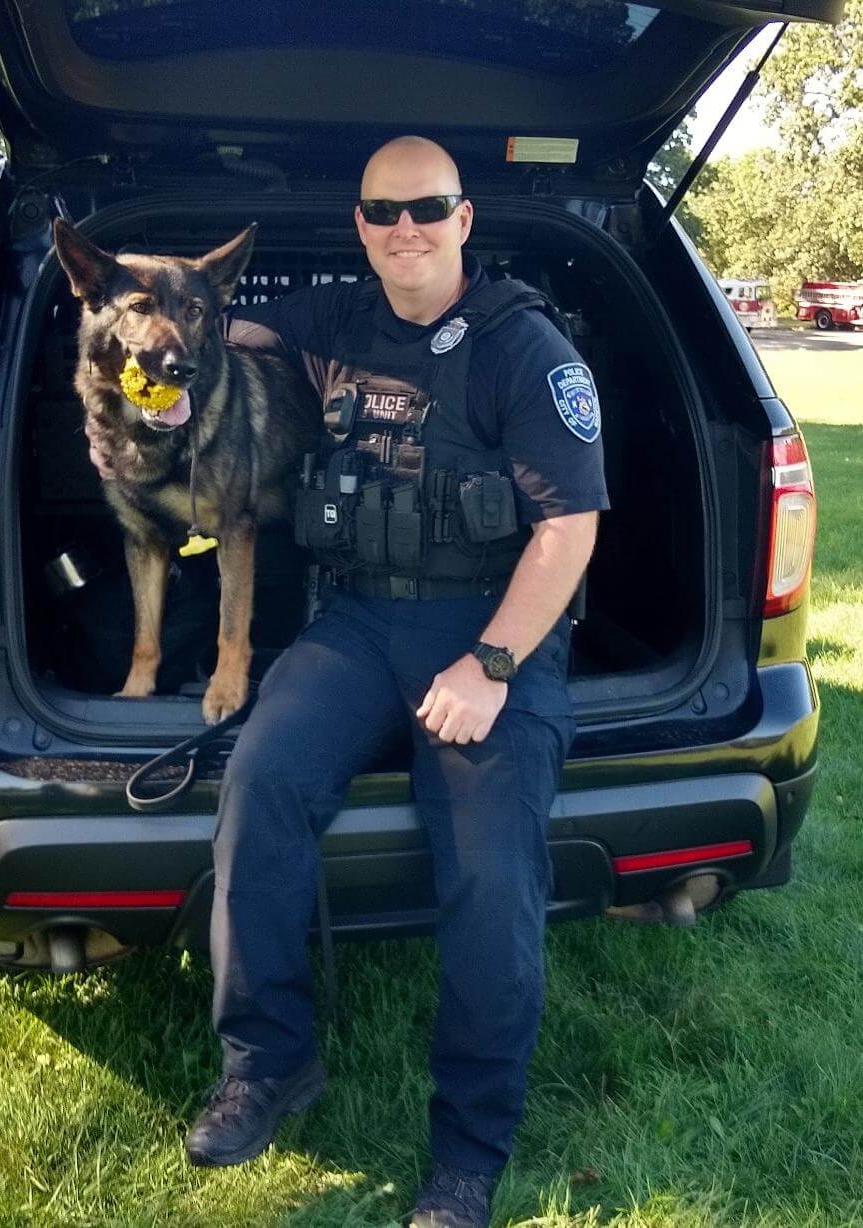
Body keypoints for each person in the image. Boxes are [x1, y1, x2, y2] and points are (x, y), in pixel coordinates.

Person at [185, 135, 609, 1228]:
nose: (404, 229)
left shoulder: (528, 349)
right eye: (383, 211)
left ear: (465, 217)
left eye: (427, 208)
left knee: (486, 873)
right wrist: (153, 323)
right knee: (261, 786)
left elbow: (568, 530)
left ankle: (466, 1156)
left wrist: (495, 664)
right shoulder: (337, 315)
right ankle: (267, 1062)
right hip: (363, 620)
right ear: (360, 226)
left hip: (493, 630)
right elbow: (218, 329)